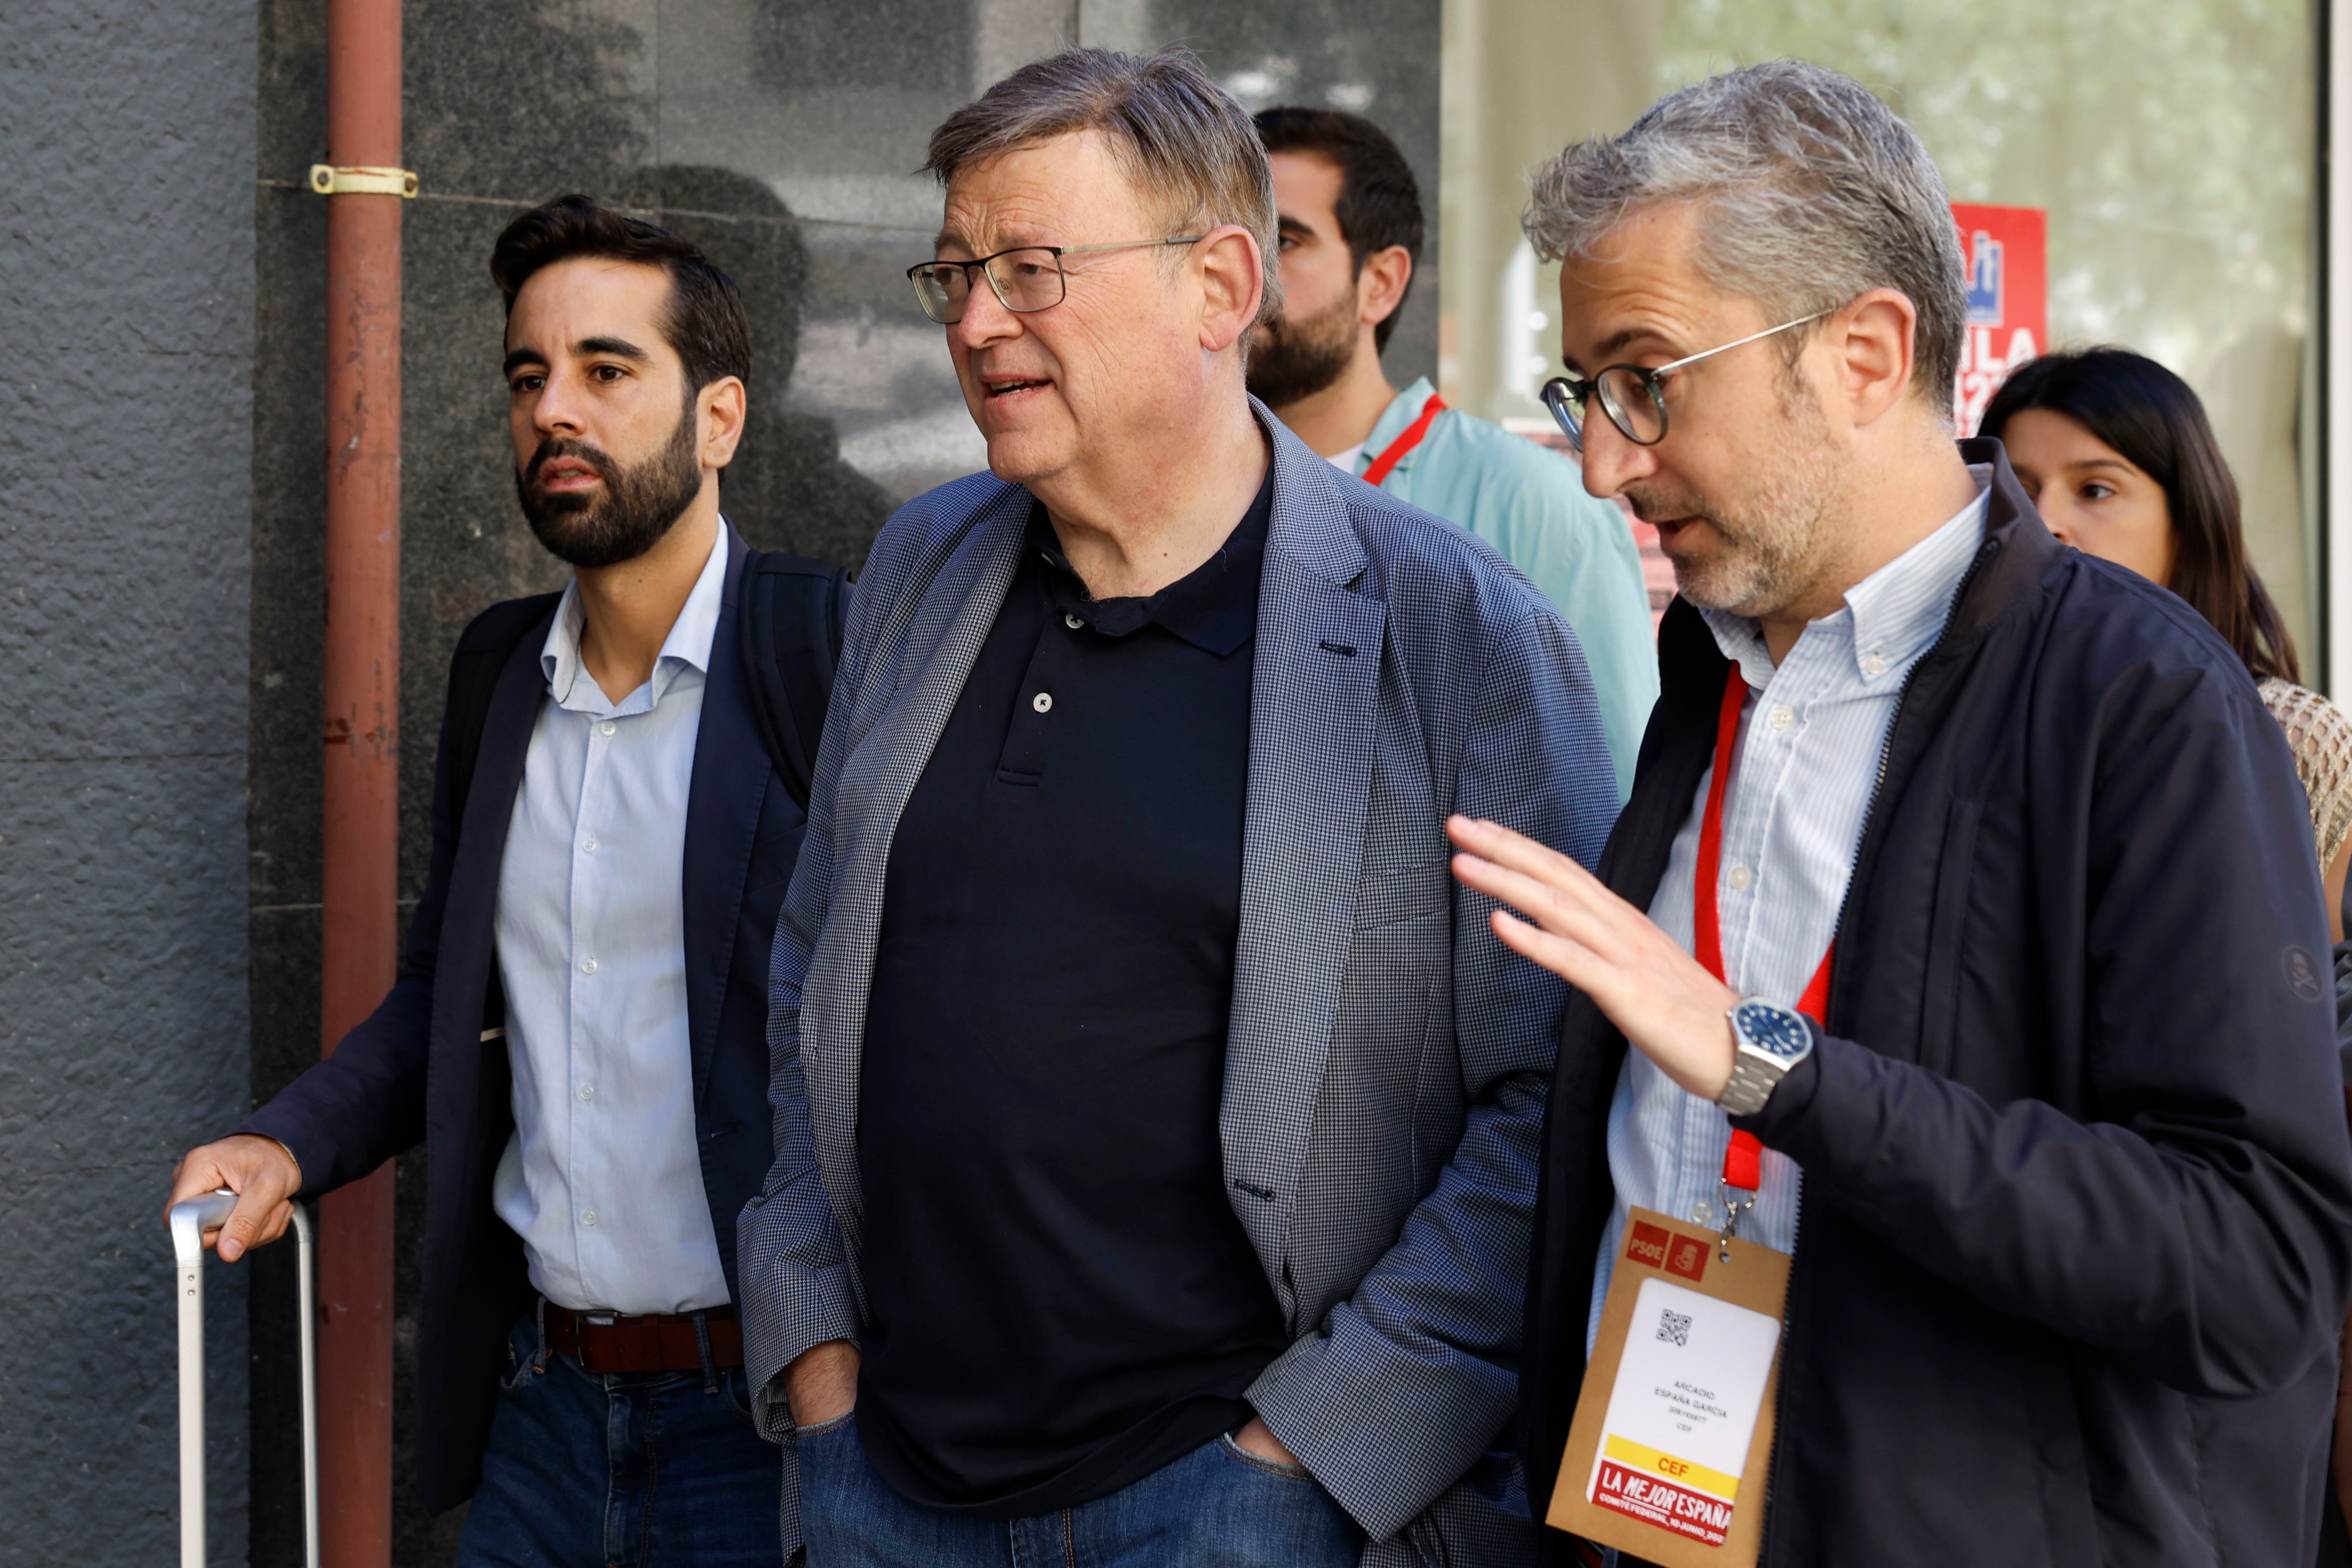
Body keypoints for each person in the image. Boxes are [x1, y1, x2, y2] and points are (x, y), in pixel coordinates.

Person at [1443, 62, 2352, 1566]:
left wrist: (1773, 1067)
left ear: (1863, 352)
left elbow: (2250, 1268)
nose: (1604, 459)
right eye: (1582, 393)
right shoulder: (1707, 667)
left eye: (1646, 380)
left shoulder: (2143, 704)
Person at [736, 47, 1619, 1568]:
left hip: (1231, 1502)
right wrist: (817, 1361)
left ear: (1220, 284)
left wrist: (1308, 1452)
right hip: (889, 1481)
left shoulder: (1456, 632)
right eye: (953, 272)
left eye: (1030, 269)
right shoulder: (918, 565)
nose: (972, 321)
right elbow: (812, 968)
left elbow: (1553, 1097)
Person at [166, 196, 846, 1566]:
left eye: (607, 370)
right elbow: (449, 1000)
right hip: (544, 1408)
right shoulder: (499, 671)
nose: (555, 413)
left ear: (719, 419)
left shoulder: (825, 649)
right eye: (529, 378)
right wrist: (287, 1140)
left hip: (762, 1417)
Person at [1249, 107, 1656, 798]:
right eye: (1225, 244)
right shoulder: (1184, 497)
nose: (1244, 276)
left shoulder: (1534, 505)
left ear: (1381, 282)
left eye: (1284, 241)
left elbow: (1614, 797)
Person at [1981, 347, 2352, 937]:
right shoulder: (1950, 712)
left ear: (2187, 522)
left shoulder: (2286, 735)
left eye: (2096, 489)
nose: (2044, 520)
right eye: (2020, 492)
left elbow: (2308, 1012)